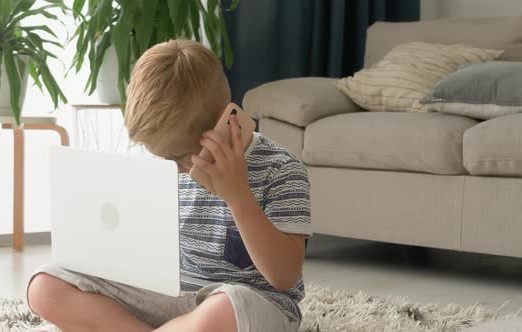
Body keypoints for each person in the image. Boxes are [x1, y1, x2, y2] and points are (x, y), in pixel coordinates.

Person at [26, 39, 312, 332]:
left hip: (244, 306)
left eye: (178, 157)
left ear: (223, 123)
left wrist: (238, 197)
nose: (173, 168)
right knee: (45, 285)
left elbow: (284, 276)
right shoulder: (168, 168)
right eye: (162, 158)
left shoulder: (281, 168)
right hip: (172, 297)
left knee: (228, 306)